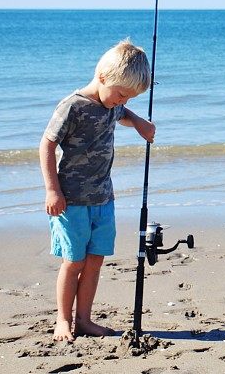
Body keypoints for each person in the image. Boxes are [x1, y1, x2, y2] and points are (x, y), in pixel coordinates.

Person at [39, 39, 156, 342]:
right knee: (73, 261)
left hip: (104, 198)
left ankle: (85, 319)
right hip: (72, 200)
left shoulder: (112, 105)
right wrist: (52, 191)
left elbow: (124, 115)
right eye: (120, 95)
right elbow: (47, 144)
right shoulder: (73, 106)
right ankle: (63, 320)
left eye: (128, 98)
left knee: (95, 260)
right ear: (103, 77)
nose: (122, 102)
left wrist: (141, 124)